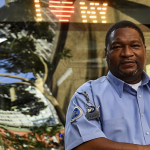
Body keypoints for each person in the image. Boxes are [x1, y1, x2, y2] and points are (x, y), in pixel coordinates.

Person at [65, 20, 150, 150]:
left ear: (144, 50)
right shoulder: (88, 95)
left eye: (135, 46)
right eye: (117, 47)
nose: (127, 53)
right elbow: (83, 146)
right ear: (106, 53)